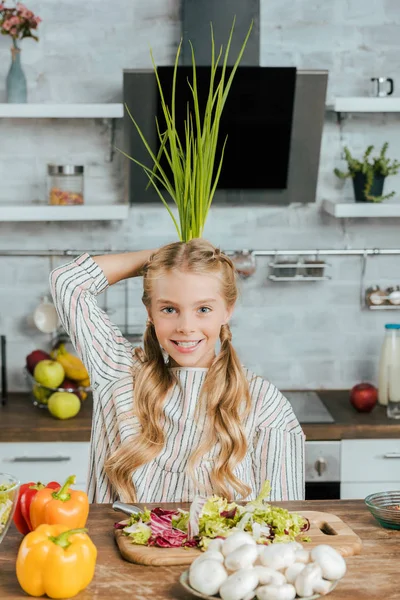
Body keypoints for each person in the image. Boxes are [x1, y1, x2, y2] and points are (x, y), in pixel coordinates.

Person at [50, 239, 305, 504]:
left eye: (203, 309)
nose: (186, 326)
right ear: (150, 311)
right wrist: (166, 258)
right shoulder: (120, 375)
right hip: (116, 546)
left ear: (227, 311)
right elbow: (67, 282)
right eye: (169, 309)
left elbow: (284, 518)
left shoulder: (264, 403)